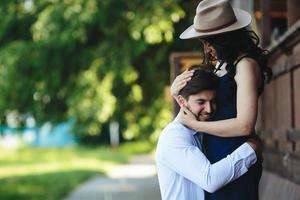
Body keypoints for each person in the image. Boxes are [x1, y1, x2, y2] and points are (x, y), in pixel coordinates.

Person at [171, 1, 272, 200]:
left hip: (235, 156)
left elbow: (244, 125)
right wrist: (177, 94)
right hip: (214, 160)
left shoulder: (245, 66)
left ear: (225, 39)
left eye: (210, 43)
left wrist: (196, 126)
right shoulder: (224, 64)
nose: (207, 49)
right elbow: (203, 102)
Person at [156, 69, 261, 200]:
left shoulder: (200, 130)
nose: (209, 109)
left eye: (213, 101)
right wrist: (250, 149)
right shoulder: (174, 136)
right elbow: (210, 180)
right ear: (182, 102)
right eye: (201, 102)